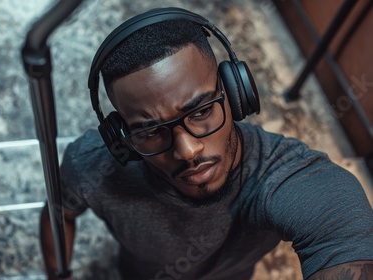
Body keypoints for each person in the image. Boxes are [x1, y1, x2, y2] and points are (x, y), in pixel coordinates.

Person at [40, 7, 373, 280]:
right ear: (121, 138)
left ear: (235, 94)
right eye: (151, 130)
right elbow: (58, 213)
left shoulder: (284, 176)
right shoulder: (92, 166)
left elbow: (338, 228)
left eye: (200, 111)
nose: (187, 151)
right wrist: (59, 276)